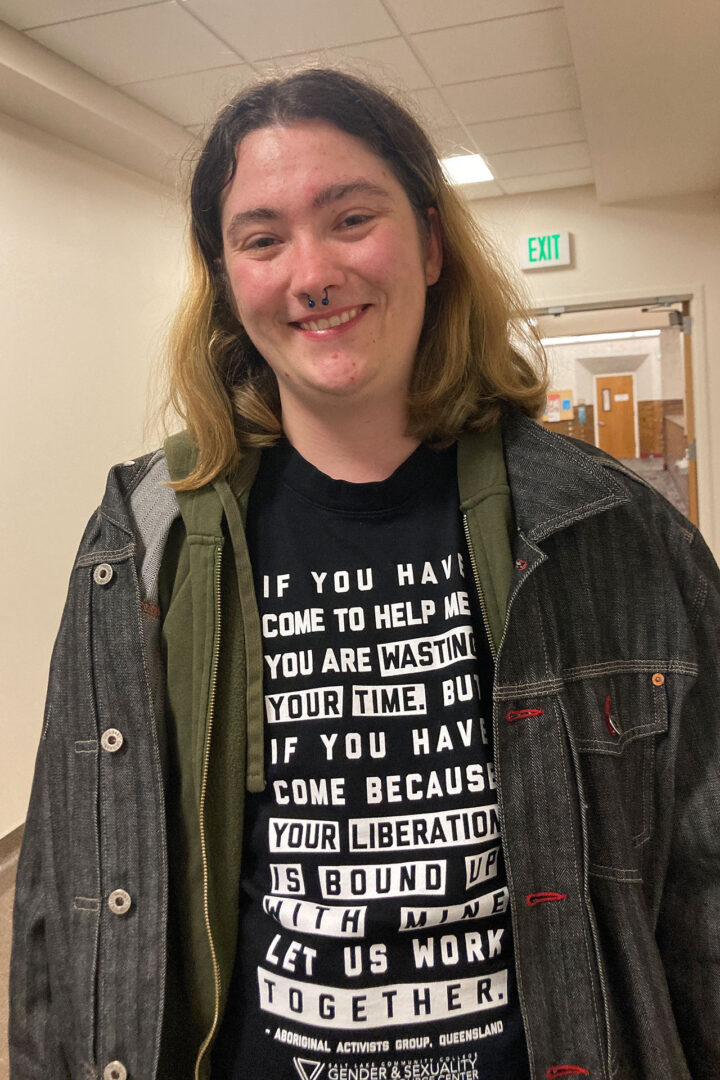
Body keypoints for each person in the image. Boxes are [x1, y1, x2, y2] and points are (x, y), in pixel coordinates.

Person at [9, 67, 720, 1080]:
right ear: (225, 277)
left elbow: (705, 884)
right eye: (262, 238)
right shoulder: (143, 541)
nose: (312, 272)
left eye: (350, 218)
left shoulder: (609, 530)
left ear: (430, 245)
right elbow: (58, 900)